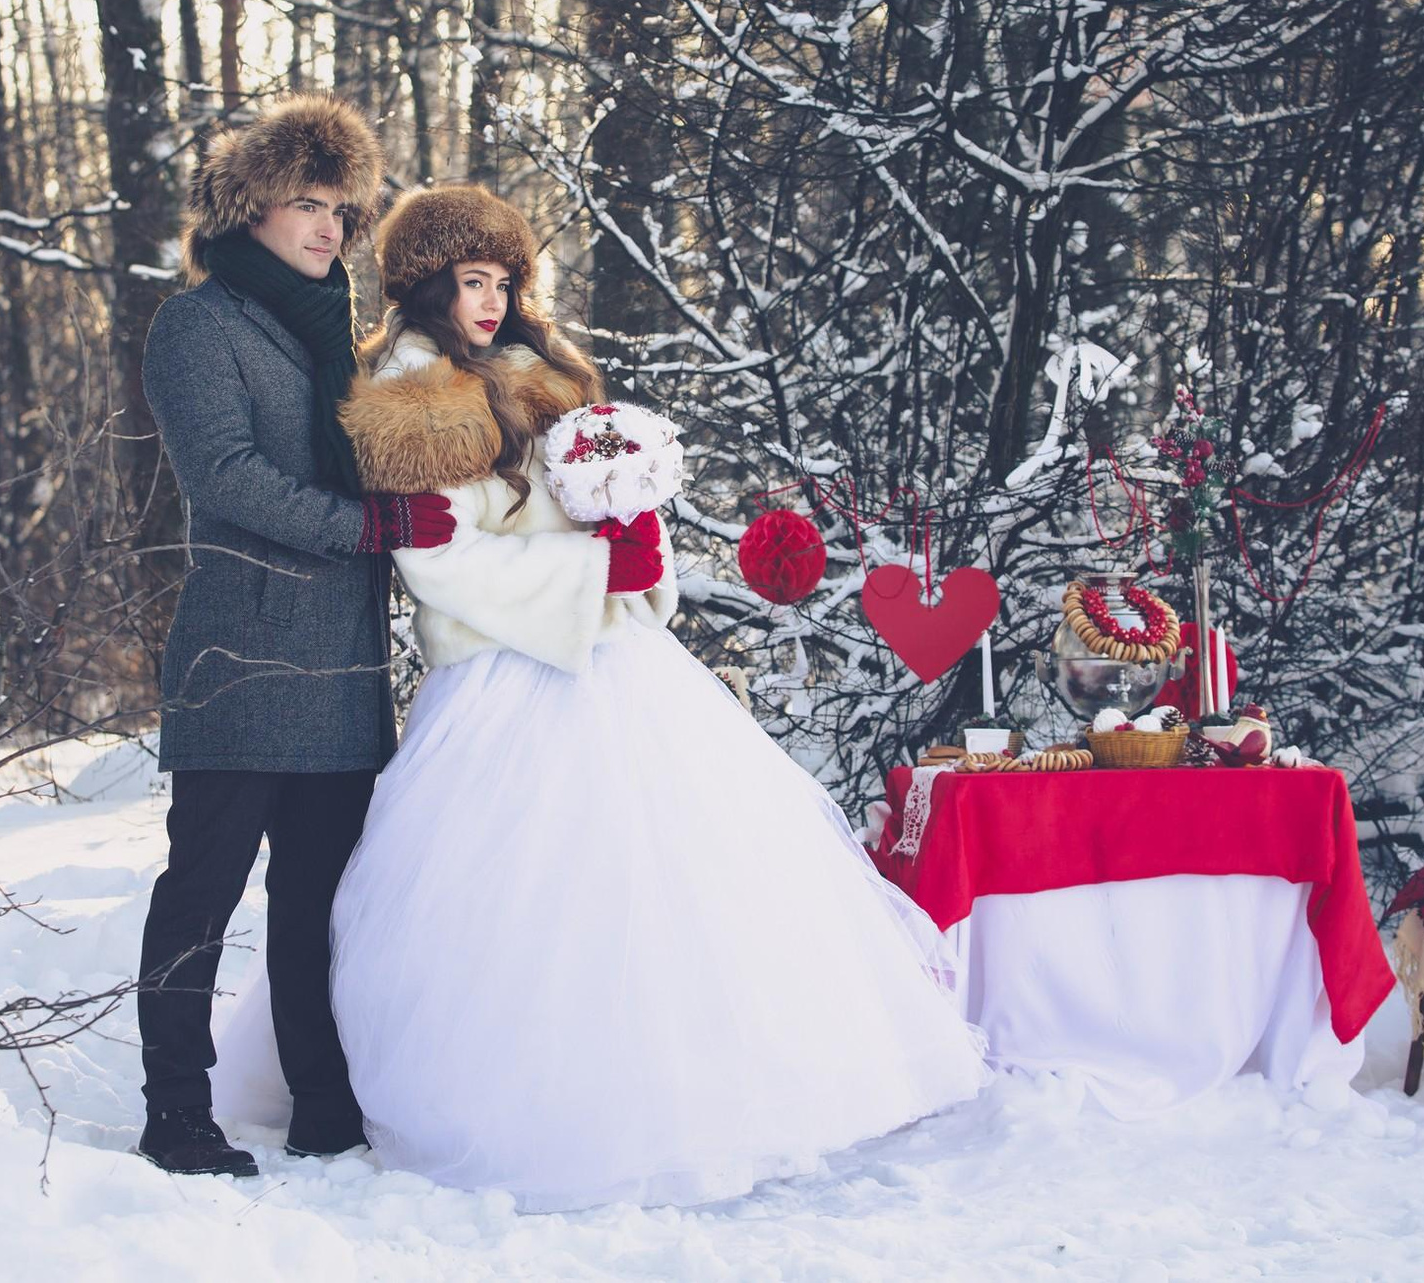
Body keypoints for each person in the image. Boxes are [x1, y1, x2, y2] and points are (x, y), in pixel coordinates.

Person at [219, 183, 987, 1210]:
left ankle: (727, 1089)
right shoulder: (406, 387)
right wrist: (589, 576)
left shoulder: (547, 372)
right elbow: (439, 565)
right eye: (469, 279)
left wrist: (637, 547)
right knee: (519, 906)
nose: (489, 300)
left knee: (686, 882)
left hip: (619, 669)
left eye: (502, 279)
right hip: (499, 676)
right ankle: (534, 1109)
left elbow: (608, 500)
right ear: (425, 283)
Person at [132, 96, 453, 1177]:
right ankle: (175, 1110)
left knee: (320, 907)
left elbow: (390, 460)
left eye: (342, 208)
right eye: (305, 203)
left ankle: (324, 1102)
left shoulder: (342, 336)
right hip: (242, 661)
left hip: (345, 668)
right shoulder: (200, 323)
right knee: (200, 898)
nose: (327, 226)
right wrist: (366, 523)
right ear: (251, 206)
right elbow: (223, 478)